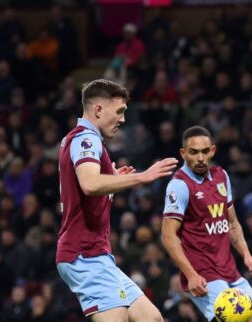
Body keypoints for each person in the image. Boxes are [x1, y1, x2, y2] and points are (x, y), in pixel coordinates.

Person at [56, 79, 178, 321]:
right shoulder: (85, 139)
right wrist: (143, 177)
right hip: (84, 253)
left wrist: (111, 181)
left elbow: (87, 188)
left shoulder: (85, 141)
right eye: (120, 111)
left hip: (97, 255)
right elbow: (89, 184)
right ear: (98, 110)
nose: (123, 119)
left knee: (151, 318)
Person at [161, 126, 252, 322]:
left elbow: (232, 223)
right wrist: (191, 275)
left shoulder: (221, 176)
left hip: (230, 270)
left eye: (205, 151)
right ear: (183, 153)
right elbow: (168, 235)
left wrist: (247, 257)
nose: (200, 158)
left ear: (213, 151)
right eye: (194, 152)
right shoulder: (179, 185)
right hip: (204, 275)